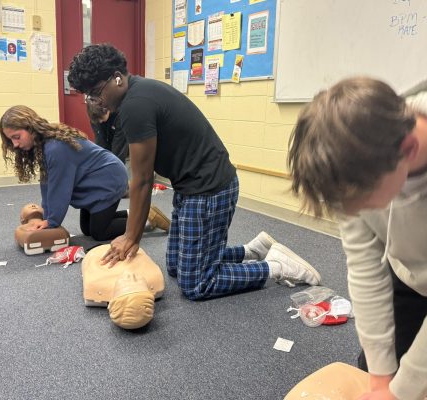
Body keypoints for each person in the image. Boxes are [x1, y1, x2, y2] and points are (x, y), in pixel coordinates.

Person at [67, 44, 321, 300]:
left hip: (209, 189)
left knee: (196, 284)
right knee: (176, 266)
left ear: (117, 78)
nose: (96, 101)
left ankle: (277, 268)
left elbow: (143, 180)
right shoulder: (137, 91)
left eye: (96, 93)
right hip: (192, 186)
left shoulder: (135, 106)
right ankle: (253, 250)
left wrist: (131, 236)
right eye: (89, 96)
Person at [287, 71, 427, 400]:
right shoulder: (361, 154)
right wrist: (380, 379)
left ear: (409, 149)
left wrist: (403, 391)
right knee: (376, 374)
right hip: (410, 267)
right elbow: (365, 267)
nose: (355, 212)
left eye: (364, 203)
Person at [0, 105, 169, 242]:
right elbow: (47, 183)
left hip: (108, 179)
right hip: (93, 181)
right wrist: (46, 213)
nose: (14, 144)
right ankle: (140, 213)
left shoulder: (55, 148)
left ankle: (146, 219)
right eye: (11, 140)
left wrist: (51, 222)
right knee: (87, 229)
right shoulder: (43, 146)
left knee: (99, 233)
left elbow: (60, 188)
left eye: (17, 137)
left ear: (30, 128)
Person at [86, 101, 129, 165]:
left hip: (126, 145)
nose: (100, 121)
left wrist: (113, 165)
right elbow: (100, 140)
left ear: (107, 110)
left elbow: (118, 146)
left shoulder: (120, 114)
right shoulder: (95, 117)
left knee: (119, 161)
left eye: (101, 118)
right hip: (111, 141)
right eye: (97, 119)